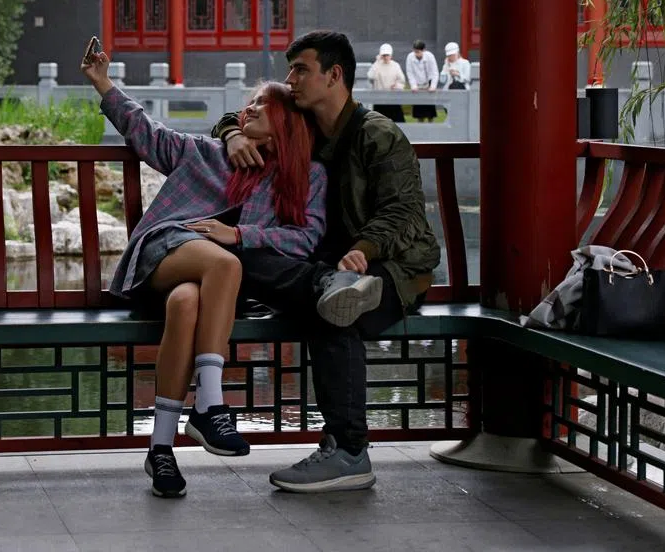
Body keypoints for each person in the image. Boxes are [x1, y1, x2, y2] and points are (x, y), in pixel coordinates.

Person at [81, 44, 371, 499]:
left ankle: (160, 449)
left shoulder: (307, 177)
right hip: (165, 251)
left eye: (261, 105)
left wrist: (240, 235)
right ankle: (210, 405)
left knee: (187, 303)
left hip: (210, 285)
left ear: (284, 123)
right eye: (248, 104)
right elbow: (147, 133)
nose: (247, 110)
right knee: (222, 262)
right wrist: (103, 82)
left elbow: (305, 239)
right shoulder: (208, 153)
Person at [212, 29, 440, 494]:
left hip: (391, 270)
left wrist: (363, 249)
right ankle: (324, 288)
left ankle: (349, 451)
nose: (291, 79)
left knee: (337, 314)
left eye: (302, 70)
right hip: (323, 270)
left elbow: (405, 213)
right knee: (239, 255)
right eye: (290, 69)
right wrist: (233, 132)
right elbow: (243, 117)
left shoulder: (378, 134)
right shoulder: (308, 128)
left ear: (335, 75)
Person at [367, 43, 406, 123]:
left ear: (391, 55)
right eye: (384, 55)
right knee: (379, 125)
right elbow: (370, 76)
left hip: (393, 99)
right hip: (379, 100)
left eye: (387, 55)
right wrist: (377, 62)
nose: (386, 57)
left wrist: (397, 86)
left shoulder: (395, 65)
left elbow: (402, 81)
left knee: (398, 123)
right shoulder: (377, 66)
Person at [405, 40, 439, 122]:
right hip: (417, 85)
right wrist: (413, 86)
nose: (416, 54)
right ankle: (419, 127)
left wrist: (433, 86)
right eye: (415, 51)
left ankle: (431, 126)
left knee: (430, 111)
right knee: (419, 112)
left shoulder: (430, 56)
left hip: (429, 84)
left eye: (418, 52)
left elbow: (435, 72)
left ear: (423, 50)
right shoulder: (410, 57)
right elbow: (410, 73)